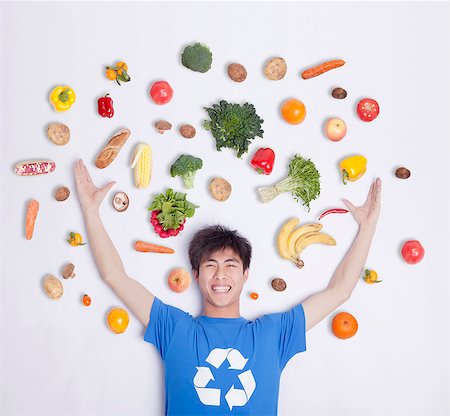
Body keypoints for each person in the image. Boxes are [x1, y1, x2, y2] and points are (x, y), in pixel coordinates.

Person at [74, 159, 382, 416]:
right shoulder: (174, 328)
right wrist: (90, 210)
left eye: (231, 265)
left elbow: (340, 290)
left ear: (246, 274)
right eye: (211, 265)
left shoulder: (273, 333)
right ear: (196, 274)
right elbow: (115, 276)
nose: (221, 275)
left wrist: (367, 227)